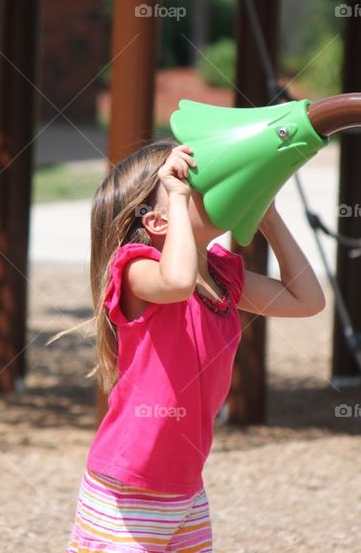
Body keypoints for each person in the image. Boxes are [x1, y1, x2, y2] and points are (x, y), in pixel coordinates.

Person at [66, 140, 325, 552]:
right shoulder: (136, 270)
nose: (202, 188)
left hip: (185, 487)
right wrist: (179, 193)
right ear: (157, 221)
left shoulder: (223, 279)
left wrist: (269, 216)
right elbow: (178, 281)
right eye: (188, 182)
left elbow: (307, 300)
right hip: (127, 490)